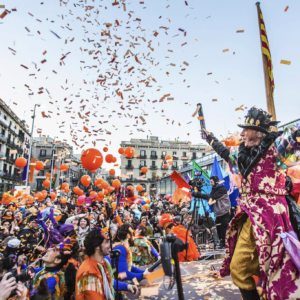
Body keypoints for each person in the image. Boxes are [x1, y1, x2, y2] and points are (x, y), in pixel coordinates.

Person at [202, 107, 300, 300]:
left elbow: (294, 139)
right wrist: (210, 138)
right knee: (239, 269)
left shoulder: (276, 149)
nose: (241, 133)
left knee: (277, 272)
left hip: (272, 220)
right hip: (250, 218)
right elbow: (225, 153)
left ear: (258, 131)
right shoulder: (242, 156)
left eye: (245, 129)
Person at [76, 227, 139, 300]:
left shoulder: (103, 262)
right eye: (106, 242)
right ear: (96, 246)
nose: (111, 244)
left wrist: (127, 286)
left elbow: (108, 280)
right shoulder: (88, 272)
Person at [192, 175, 231, 249]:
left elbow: (212, 197)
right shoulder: (213, 189)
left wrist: (199, 195)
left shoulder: (221, 189)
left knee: (224, 227)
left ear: (216, 182)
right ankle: (221, 241)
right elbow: (210, 198)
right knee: (218, 227)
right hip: (218, 212)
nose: (210, 183)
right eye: (210, 181)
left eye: (211, 181)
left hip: (224, 211)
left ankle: (225, 243)